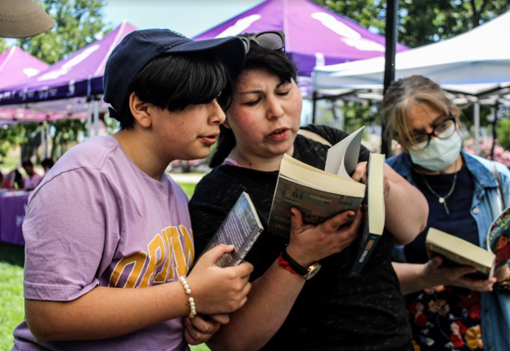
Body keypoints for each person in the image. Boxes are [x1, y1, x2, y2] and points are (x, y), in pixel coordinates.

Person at [12, 29, 253, 350]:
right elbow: (49, 317)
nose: (219, 116)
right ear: (142, 108)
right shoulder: (86, 176)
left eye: (218, 100)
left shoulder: (174, 194)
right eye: (201, 100)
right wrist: (189, 294)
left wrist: (192, 314)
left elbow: (155, 299)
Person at [189, 31, 429, 351]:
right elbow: (231, 342)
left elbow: (413, 226)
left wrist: (382, 189)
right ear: (225, 116)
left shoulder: (326, 141)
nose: (276, 110)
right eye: (253, 101)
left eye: (284, 91)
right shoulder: (218, 195)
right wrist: (297, 258)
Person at [383, 75, 510, 351]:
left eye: (441, 125)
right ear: (400, 140)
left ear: (454, 115)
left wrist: (502, 273)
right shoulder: (386, 183)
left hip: (489, 334)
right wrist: (428, 276)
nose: (435, 139)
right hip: (409, 335)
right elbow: (369, 277)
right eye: (417, 136)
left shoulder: (497, 180)